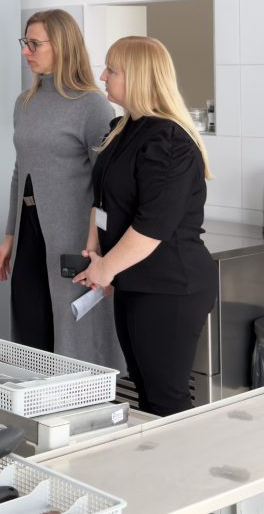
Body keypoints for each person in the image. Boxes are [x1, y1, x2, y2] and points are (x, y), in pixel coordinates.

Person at [74, 36, 216, 416]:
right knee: (145, 392)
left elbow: (152, 227)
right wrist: (96, 251)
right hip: (134, 280)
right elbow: (102, 198)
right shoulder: (122, 129)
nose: (102, 77)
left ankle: (180, 457)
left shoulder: (169, 141)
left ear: (138, 76)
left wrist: (107, 268)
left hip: (170, 287)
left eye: (112, 70)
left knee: (165, 399)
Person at [0, 9, 124, 370]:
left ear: (62, 46)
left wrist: (100, 249)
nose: (26, 51)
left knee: (72, 335)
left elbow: (107, 185)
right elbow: (21, 170)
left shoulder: (92, 105)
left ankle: (80, 398)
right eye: (25, 42)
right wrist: (9, 236)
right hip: (29, 235)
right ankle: (35, 400)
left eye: (35, 44)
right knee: (30, 329)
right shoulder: (25, 103)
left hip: (74, 240)